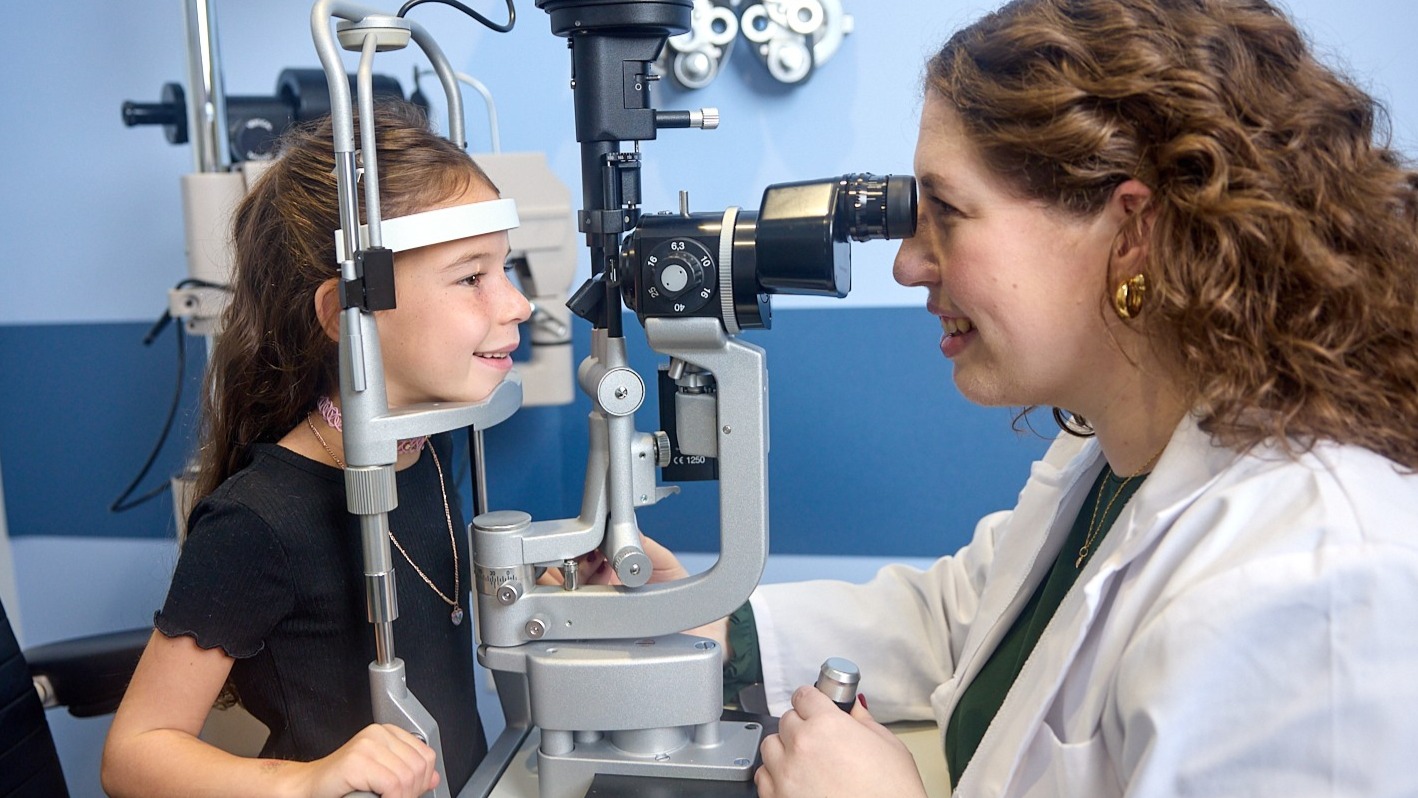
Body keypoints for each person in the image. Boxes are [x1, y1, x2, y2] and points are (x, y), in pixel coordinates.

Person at [654, 0, 1418, 795]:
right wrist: (709, 622)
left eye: (948, 212)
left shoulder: (1316, 587)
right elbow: (966, 618)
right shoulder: (1115, 452)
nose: (907, 265)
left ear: (1132, 234)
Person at [102, 101, 532, 798]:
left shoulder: (426, 449)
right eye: (470, 276)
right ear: (343, 313)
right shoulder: (258, 521)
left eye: (504, 268)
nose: (517, 304)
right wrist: (309, 782)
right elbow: (132, 756)